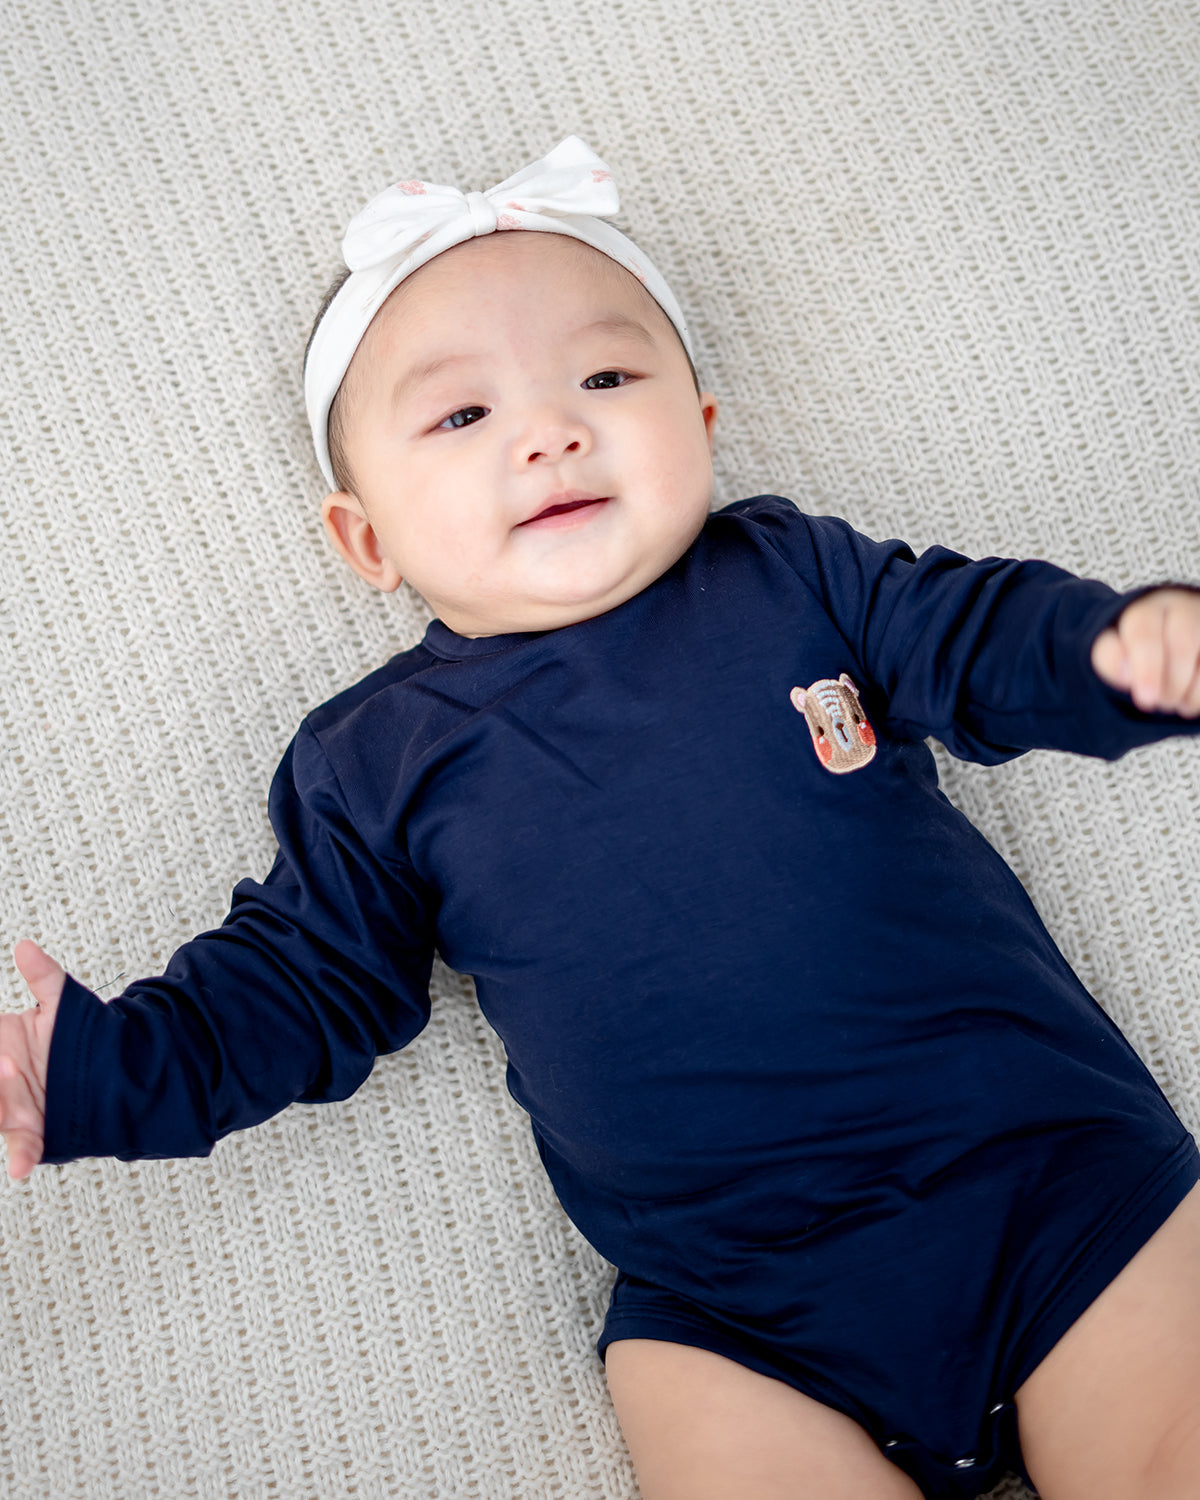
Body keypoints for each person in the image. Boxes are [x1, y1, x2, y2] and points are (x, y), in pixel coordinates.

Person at [3, 137, 1200, 1500]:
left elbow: (975, 637)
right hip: (735, 1316)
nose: (548, 429)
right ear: (368, 541)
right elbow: (294, 987)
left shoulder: (794, 577)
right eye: (460, 418)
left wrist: (1116, 650)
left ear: (698, 427)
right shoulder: (374, 759)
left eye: (608, 377)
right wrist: (92, 1074)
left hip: (1059, 1190)